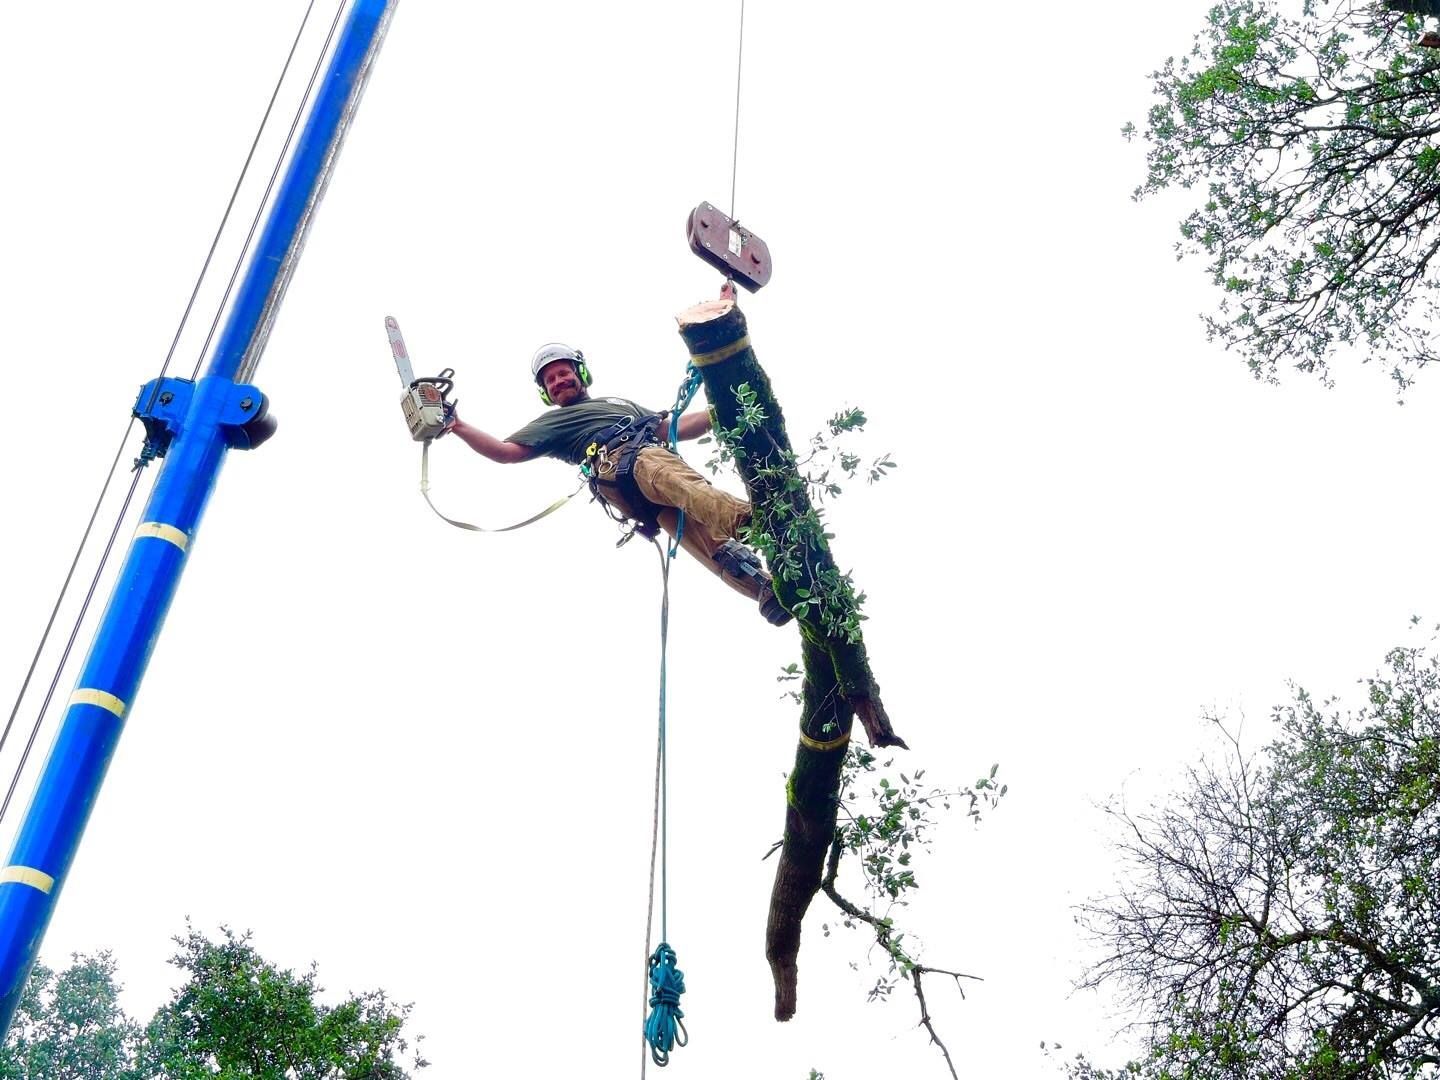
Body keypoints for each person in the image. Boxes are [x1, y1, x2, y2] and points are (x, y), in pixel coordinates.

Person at [443, 342, 791, 626]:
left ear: (580, 374)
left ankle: (764, 588)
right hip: (624, 467)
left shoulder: (620, 404)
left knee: (705, 540)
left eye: (563, 372)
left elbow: (676, 427)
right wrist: (459, 426)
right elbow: (506, 453)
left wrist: (722, 411)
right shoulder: (554, 422)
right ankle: (759, 523)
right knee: (679, 483)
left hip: (647, 481)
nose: (558, 381)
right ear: (546, 393)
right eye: (550, 380)